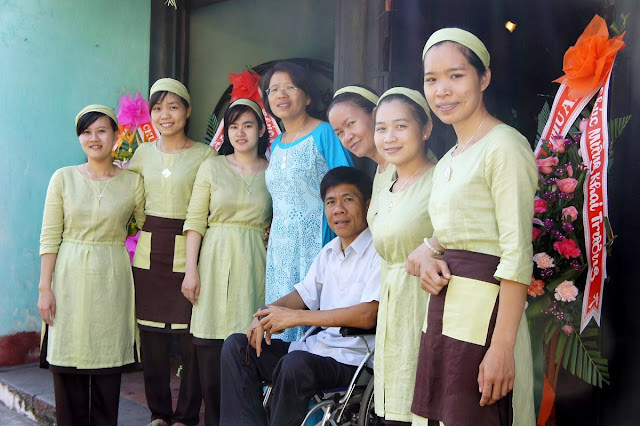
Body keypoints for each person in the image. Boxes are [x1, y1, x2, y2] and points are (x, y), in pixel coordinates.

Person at [408, 28, 536, 426]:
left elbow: (517, 252)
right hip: (446, 310)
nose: (442, 90)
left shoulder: (504, 145)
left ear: (484, 78)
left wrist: (502, 347)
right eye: (432, 79)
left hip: (488, 315)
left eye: (456, 75)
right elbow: (453, 233)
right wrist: (427, 255)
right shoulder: (448, 158)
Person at [219, 166, 380, 426]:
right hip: (314, 351)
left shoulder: (378, 251)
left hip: (352, 359)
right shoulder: (329, 252)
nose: (338, 209)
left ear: (368, 205)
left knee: (295, 364)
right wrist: (264, 314)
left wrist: (296, 317)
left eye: (348, 199)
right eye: (330, 202)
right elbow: (302, 296)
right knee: (237, 347)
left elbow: (367, 315)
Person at [37, 105, 145, 426]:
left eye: (101, 130)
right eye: (86, 132)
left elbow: (147, 225)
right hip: (68, 278)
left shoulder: (132, 182)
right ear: (79, 137)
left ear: (115, 135)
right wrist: (45, 288)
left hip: (112, 278)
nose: (94, 138)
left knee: (107, 370)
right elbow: (50, 236)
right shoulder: (63, 178)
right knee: (68, 366)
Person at [128, 78, 214, 426]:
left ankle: (186, 416)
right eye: (158, 108)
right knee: (151, 339)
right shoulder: (141, 153)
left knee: (192, 337)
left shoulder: (205, 155)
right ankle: (159, 414)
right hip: (149, 250)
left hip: (189, 252)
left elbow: (207, 206)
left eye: (173, 107)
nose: (165, 115)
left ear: (188, 111)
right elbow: (133, 203)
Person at [181, 99, 272, 426]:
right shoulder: (212, 167)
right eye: (233, 126)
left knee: (245, 351)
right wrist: (191, 270)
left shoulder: (273, 170)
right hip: (214, 261)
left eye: (248, 125)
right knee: (209, 349)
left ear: (261, 129)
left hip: (254, 264)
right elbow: (195, 221)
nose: (240, 132)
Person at [261, 61, 354, 342]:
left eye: (290, 87)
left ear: (308, 96)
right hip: (280, 249)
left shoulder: (325, 133)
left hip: (317, 242)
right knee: (280, 322)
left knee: (312, 322)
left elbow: (347, 184)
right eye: (273, 89)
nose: (281, 94)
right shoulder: (276, 144)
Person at [368, 88, 437, 424]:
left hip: (426, 306)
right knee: (392, 407)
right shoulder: (385, 185)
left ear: (425, 129)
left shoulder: (441, 179)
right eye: (381, 128)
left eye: (400, 126)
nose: (389, 137)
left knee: (420, 407)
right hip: (392, 306)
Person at [327, 85, 393, 225]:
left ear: (376, 115)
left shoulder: (403, 165)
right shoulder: (381, 170)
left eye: (351, 123)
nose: (347, 137)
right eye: (339, 133)